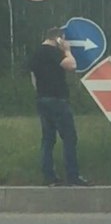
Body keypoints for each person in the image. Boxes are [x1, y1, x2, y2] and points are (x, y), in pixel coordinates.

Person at [29, 27, 89, 186]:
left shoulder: (36, 53)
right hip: (57, 100)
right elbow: (71, 66)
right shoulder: (53, 52)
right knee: (69, 137)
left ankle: (49, 177)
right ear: (58, 39)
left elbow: (33, 77)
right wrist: (67, 51)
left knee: (48, 139)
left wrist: (41, 92)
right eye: (63, 39)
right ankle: (73, 176)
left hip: (42, 99)